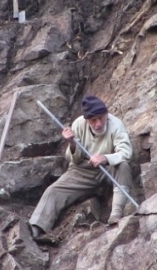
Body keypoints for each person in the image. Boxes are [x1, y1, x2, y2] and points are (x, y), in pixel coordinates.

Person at [29, 95, 135, 238]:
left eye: (101, 118)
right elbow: (74, 159)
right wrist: (72, 144)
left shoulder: (116, 124)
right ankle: (37, 226)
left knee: (123, 167)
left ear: (106, 114)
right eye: (93, 120)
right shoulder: (78, 124)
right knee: (53, 190)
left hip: (108, 168)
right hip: (82, 170)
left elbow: (126, 152)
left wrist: (105, 158)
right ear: (86, 120)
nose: (98, 123)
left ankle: (116, 215)